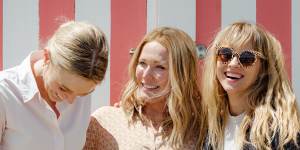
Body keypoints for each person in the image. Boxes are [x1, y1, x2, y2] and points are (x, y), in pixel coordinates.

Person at [83, 27, 207, 150]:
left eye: (159, 67)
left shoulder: (201, 131)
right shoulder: (105, 121)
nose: (146, 75)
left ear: (182, 75)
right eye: (142, 63)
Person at [0, 21, 108, 150]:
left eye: (82, 94)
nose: (71, 100)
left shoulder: (77, 86)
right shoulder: (5, 93)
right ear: (47, 58)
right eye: (63, 88)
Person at [202, 21, 300, 149]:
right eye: (225, 54)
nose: (233, 63)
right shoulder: (210, 124)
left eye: (247, 58)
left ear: (263, 68)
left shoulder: (279, 131)